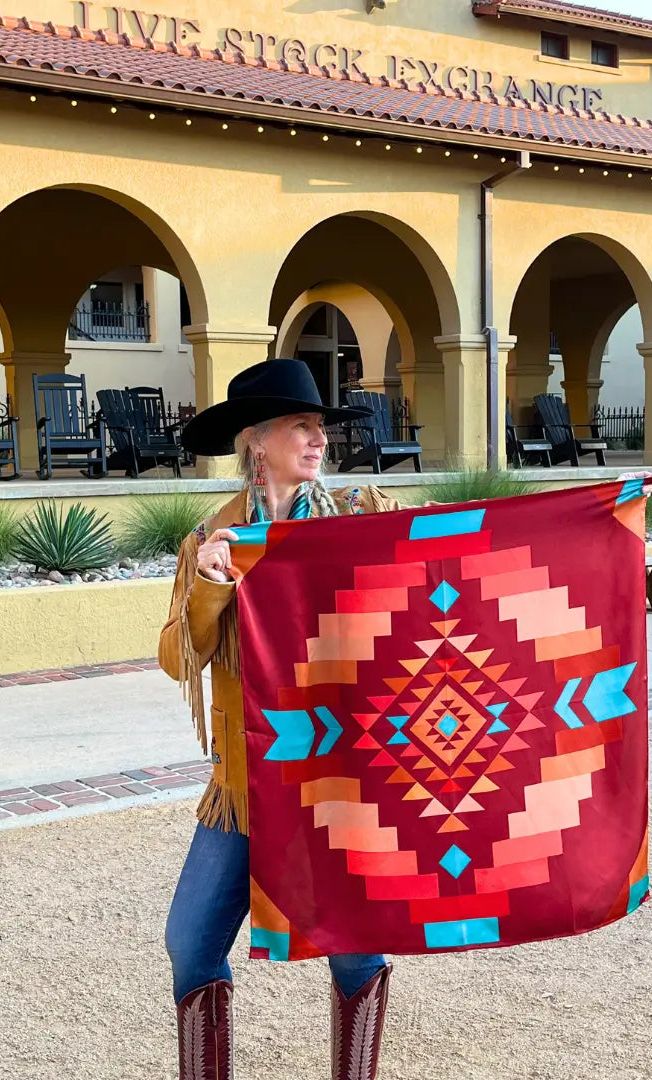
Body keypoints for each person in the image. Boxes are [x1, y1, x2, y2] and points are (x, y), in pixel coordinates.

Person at [158, 358, 403, 1080]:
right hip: (244, 782)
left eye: (321, 426)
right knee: (192, 942)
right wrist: (209, 585)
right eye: (302, 425)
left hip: (336, 775)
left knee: (356, 945)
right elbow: (178, 659)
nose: (318, 438)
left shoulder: (361, 518)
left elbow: (432, 582)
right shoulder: (213, 538)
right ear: (257, 442)